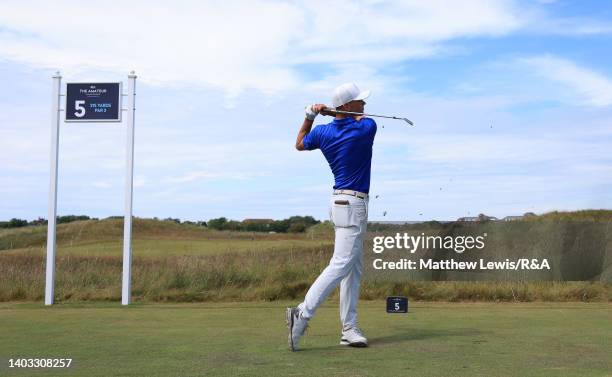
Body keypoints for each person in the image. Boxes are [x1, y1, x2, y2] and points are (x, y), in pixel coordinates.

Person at [286, 82, 377, 351]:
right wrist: (333, 114)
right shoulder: (365, 129)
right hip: (352, 205)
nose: (364, 104)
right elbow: (362, 119)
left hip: (340, 203)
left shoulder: (324, 133)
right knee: (341, 265)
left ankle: (349, 328)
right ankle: (301, 313)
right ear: (348, 106)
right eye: (359, 101)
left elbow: (300, 143)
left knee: (353, 268)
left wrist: (311, 115)